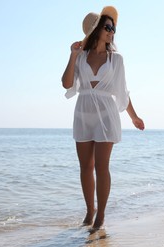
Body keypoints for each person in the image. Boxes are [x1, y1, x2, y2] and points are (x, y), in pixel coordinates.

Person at [61, 6, 144, 229]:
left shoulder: (116, 60)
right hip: (83, 112)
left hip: (106, 114)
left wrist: (134, 117)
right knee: (85, 167)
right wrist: (73, 55)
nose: (112, 31)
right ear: (96, 30)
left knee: (101, 166)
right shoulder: (81, 57)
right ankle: (90, 211)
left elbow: (122, 91)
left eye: (113, 28)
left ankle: (101, 215)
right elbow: (67, 84)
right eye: (108, 27)